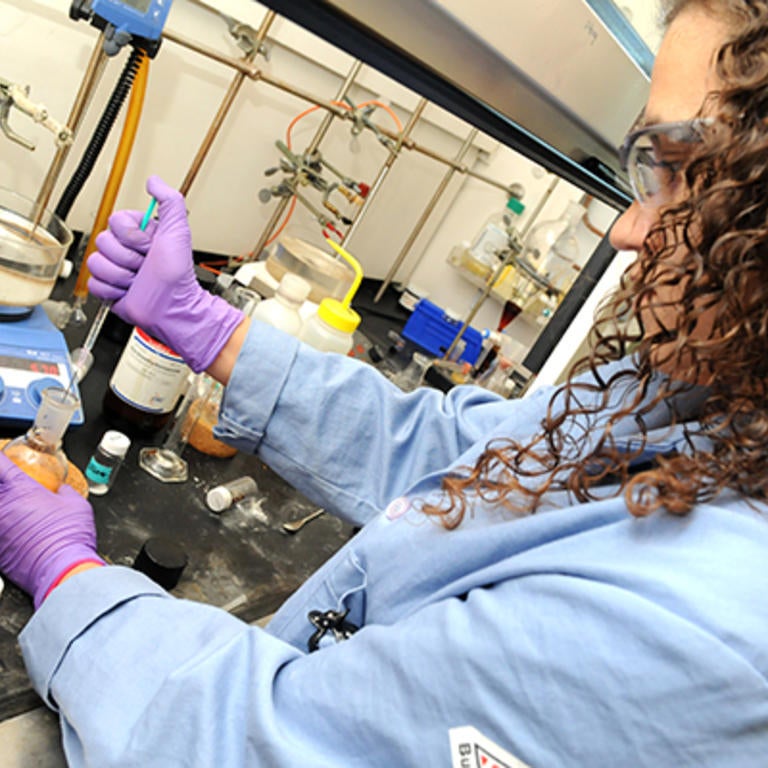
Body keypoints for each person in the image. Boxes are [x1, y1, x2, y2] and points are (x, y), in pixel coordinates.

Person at [1, 0, 766, 764]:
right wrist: (207, 326)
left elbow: (256, 745)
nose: (625, 230)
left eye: (677, 168)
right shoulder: (707, 399)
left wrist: (68, 575)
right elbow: (470, 455)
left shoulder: (690, 631)